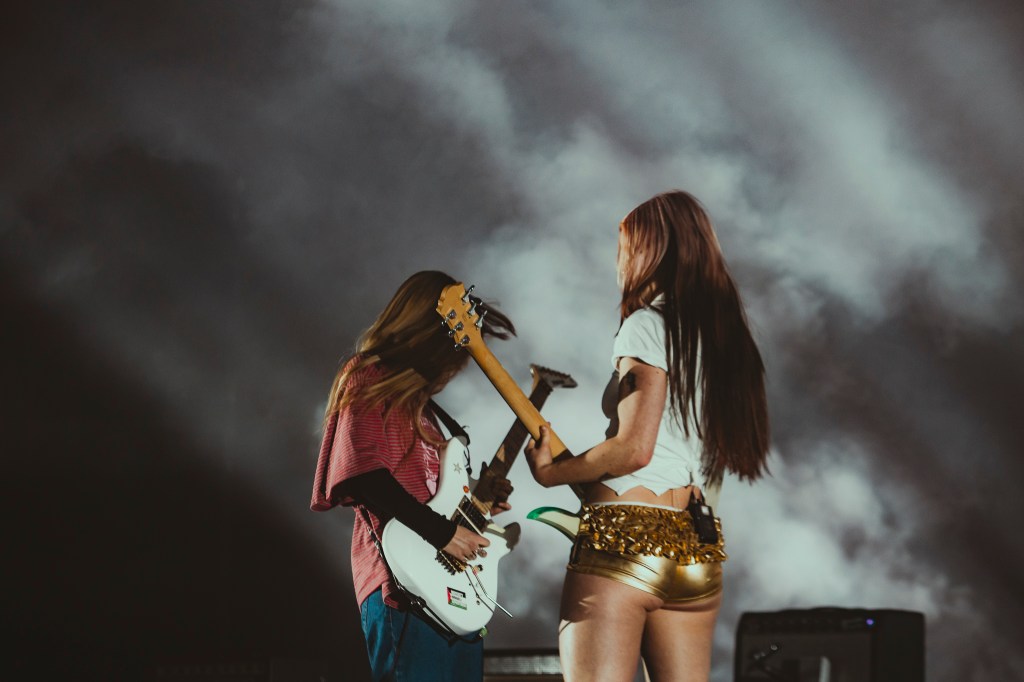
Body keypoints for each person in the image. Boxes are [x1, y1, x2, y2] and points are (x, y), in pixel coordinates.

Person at [525, 191, 770, 681]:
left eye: (627, 247)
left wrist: (553, 473)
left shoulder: (646, 325)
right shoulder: (728, 341)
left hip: (624, 538)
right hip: (695, 549)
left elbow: (634, 449)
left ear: (652, 250)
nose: (622, 261)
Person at [311, 270, 516, 682]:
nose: (455, 364)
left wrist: (476, 503)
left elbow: (426, 491)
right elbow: (362, 475)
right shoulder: (367, 375)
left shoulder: (430, 414)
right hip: (400, 584)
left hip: (447, 593)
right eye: (453, 347)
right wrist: (443, 534)